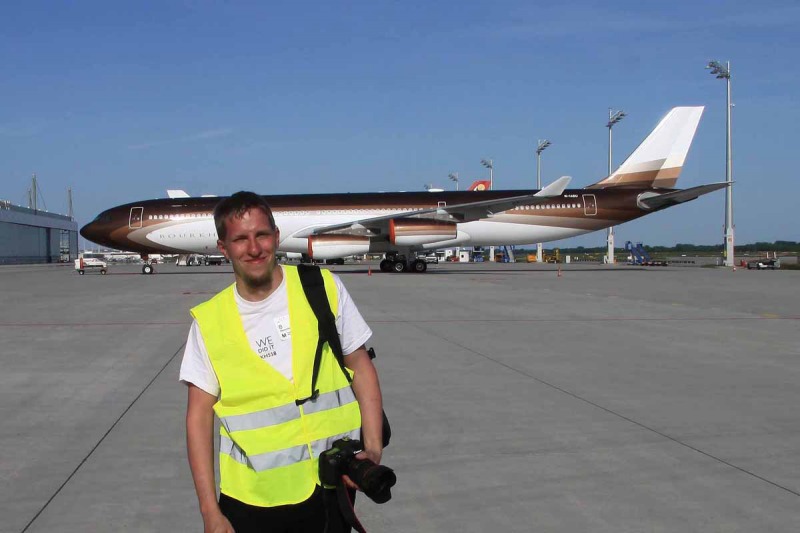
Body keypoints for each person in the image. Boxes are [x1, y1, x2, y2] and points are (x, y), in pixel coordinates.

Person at [180, 191, 384, 533]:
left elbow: (361, 366)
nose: (254, 248)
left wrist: (373, 445)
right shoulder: (210, 322)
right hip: (254, 500)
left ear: (276, 236)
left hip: (332, 486)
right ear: (223, 248)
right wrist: (209, 511)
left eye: (261, 234)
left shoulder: (322, 288)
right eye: (240, 239)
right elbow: (198, 418)